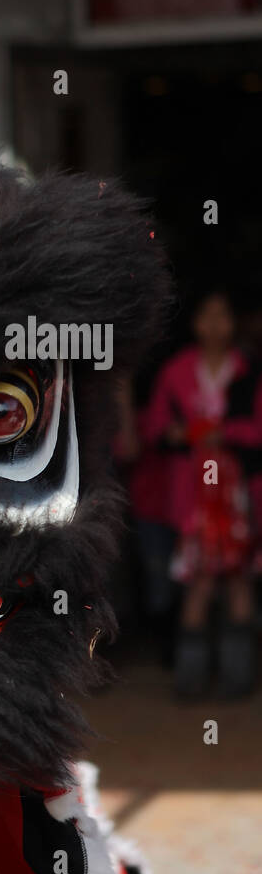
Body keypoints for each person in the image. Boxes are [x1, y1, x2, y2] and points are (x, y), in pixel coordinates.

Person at [140, 289, 262, 697]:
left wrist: (220, 432)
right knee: (199, 579)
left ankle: (237, 680)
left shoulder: (249, 370)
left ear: (233, 323)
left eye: (222, 315)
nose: (214, 324)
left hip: (239, 494)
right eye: (206, 315)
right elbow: (154, 428)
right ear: (195, 324)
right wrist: (180, 433)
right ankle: (190, 682)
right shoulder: (176, 371)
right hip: (194, 494)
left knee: (239, 578)